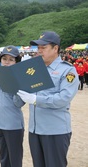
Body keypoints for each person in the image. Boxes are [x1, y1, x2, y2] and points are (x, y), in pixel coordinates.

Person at [17, 31, 79, 167]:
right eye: (38, 48)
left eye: (43, 48)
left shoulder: (67, 71)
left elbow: (63, 98)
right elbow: (22, 95)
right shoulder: (34, 69)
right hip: (35, 130)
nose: (39, 51)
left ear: (55, 48)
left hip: (55, 131)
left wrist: (36, 99)